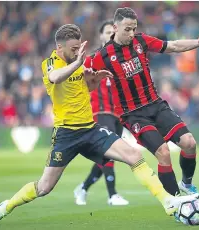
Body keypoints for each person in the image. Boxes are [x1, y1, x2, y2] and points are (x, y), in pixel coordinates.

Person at [0, 24, 199, 226]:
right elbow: (56, 78)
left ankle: (168, 202)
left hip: (90, 129)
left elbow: (87, 89)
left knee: (134, 155)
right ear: (60, 47)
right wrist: (77, 64)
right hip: (66, 134)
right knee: (44, 187)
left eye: (79, 48)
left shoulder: (79, 62)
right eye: (73, 49)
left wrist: (94, 79)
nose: (77, 52)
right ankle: (5, 207)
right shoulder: (50, 63)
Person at [88, 7, 199, 196]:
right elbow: (81, 77)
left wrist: (197, 42)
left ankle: (186, 184)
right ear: (115, 27)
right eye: (127, 29)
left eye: (134, 28)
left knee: (189, 143)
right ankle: (176, 202)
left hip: (155, 104)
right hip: (133, 114)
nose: (131, 33)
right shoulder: (102, 56)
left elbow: (172, 46)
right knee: (163, 152)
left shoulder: (141, 41)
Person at [73, 20, 129, 206]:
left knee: (108, 155)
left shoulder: (122, 59)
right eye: (107, 32)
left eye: (113, 32)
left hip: (118, 114)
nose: (111, 35)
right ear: (101, 36)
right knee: (109, 150)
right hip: (100, 111)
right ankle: (112, 195)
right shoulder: (92, 59)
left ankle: (83, 187)